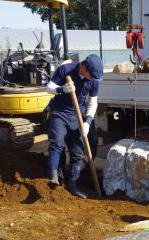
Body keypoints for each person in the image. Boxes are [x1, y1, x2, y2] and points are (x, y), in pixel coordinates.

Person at [46, 54, 103, 199]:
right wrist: (61, 89)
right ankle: (53, 177)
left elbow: (92, 103)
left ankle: (73, 185)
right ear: (84, 67)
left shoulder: (94, 80)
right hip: (59, 112)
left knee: (78, 152)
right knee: (57, 143)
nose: (92, 78)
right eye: (91, 75)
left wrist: (87, 122)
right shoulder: (66, 69)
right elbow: (49, 88)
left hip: (77, 116)